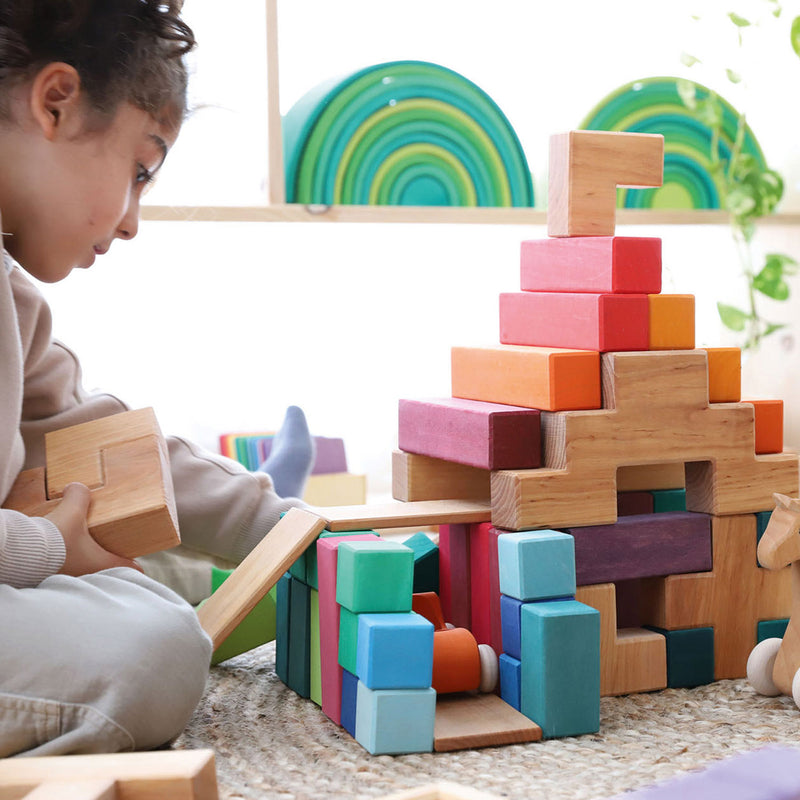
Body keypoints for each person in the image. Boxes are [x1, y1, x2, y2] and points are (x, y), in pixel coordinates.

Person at [0, 0, 313, 757]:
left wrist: (284, 529)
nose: (133, 220)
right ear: (55, 102)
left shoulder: (15, 304)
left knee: (143, 593)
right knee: (151, 651)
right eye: (138, 170)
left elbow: (102, 450)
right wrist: (43, 547)